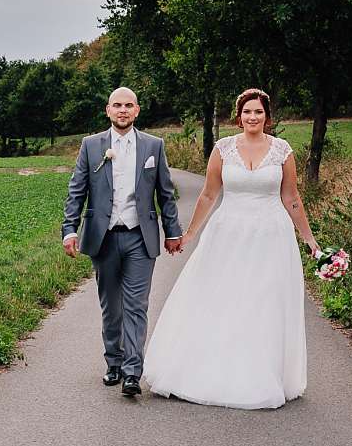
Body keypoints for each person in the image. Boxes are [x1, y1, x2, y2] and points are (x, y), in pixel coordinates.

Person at [144, 88, 318, 410]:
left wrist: (310, 240)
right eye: (248, 112)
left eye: (259, 112)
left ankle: (261, 375)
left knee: (264, 302)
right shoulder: (223, 149)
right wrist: (189, 234)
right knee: (224, 299)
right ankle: (216, 370)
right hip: (229, 234)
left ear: (268, 116)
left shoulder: (282, 151)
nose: (253, 117)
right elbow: (209, 195)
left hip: (271, 236)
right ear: (238, 117)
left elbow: (291, 197)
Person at [62, 85, 183, 397]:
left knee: (136, 305)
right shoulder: (91, 146)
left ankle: (132, 371)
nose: (123, 110)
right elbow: (77, 190)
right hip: (103, 238)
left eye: (129, 105)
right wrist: (70, 229)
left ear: (137, 110)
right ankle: (113, 362)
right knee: (110, 305)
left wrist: (172, 232)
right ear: (108, 110)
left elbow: (165, 193)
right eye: (117, 105)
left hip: (140, 238)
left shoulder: (154, 146)